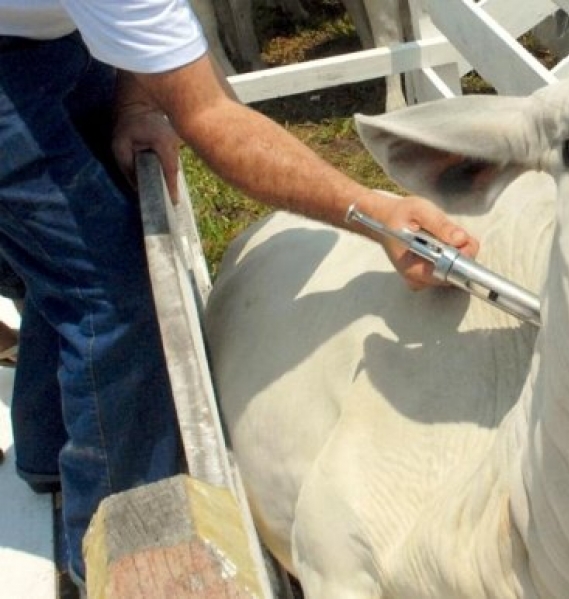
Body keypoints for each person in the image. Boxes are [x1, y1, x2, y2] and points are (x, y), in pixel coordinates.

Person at [0, 0, 479, 587]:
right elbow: (210, 116)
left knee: (73, 250)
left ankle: (50, 453)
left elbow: (146, 41)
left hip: (43, 33)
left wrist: (140, 97)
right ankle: (115, 550)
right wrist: (374, 212)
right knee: (113, 295)